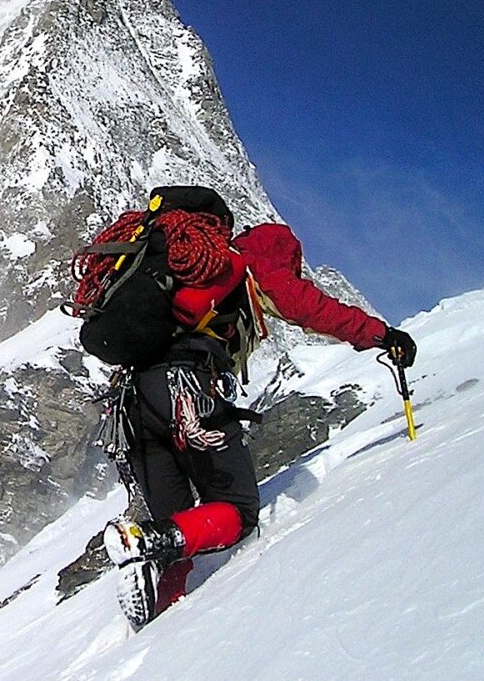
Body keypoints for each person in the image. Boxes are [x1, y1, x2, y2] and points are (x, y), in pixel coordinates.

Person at [101, 220, 417, 626]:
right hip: (185, 391)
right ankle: (146, 543)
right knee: (238, 511)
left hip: (131, 406)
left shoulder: (184, 275)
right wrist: (381, 335)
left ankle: (160, 618)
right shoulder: (252, 265)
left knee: (178, 523)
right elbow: (313, 309)